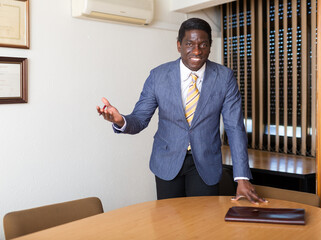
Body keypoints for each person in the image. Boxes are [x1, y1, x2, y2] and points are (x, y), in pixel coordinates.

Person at [97, 17, 265, 203]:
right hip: (166, 161)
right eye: (189, 44)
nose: (196, 51)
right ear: (179, 45)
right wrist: (121, 120)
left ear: (210, 46)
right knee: (169, 227)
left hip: (205, 163)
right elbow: (140, 118)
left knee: (202, 226)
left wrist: (242, 177)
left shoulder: (225, 78)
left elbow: (235, 128)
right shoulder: (158, 76)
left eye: (203, 44)